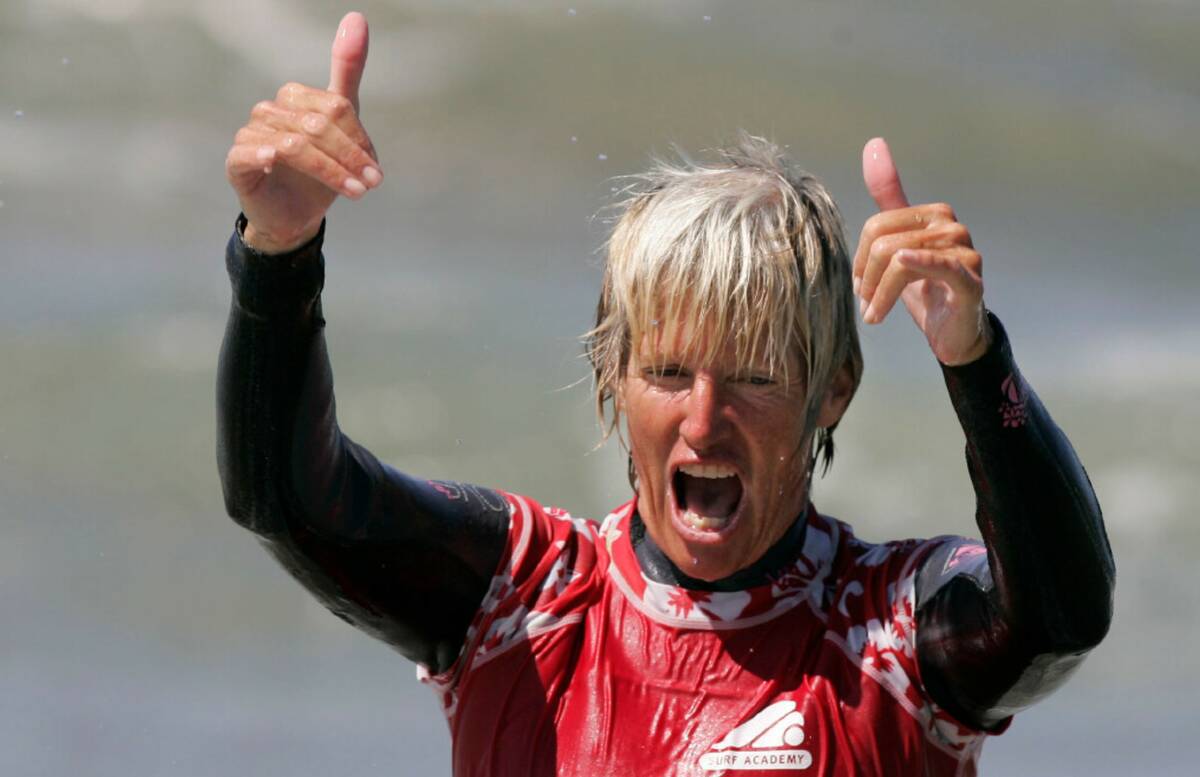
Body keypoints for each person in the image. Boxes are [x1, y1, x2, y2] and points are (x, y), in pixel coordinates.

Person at [218, 12, 1114, 776]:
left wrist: (975, 358)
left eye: (757, 376)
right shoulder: (522, 600)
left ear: (832, 390)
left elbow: (1060, 615)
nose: (703, 419)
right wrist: (277, 254)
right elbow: (289, 499)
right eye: (668, 372)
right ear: (613, 374)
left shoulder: (889, 636)